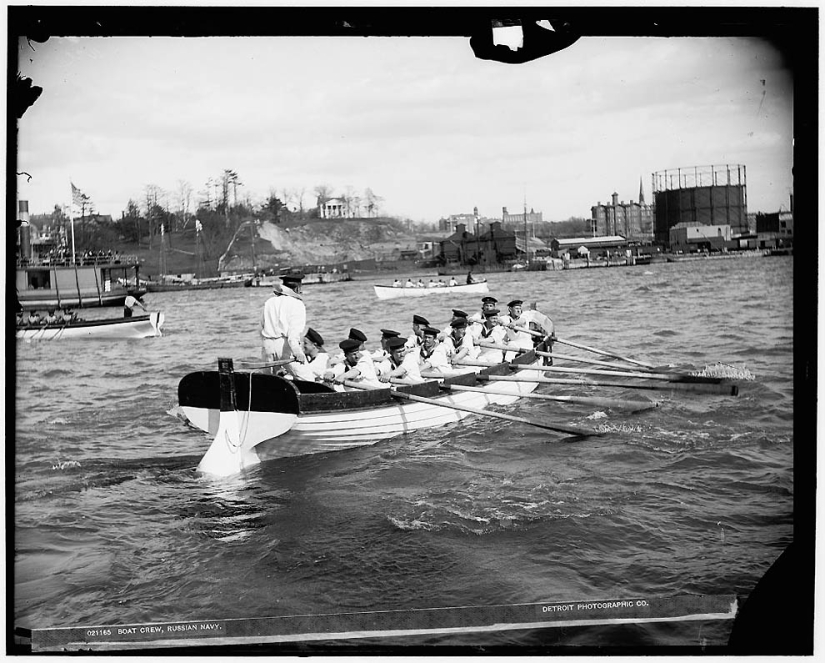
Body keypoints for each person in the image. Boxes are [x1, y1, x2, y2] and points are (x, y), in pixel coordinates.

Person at [261, 273, 307, 373]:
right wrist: (297, 352)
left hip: (267, 345)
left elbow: (262, 326)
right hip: (284, 346)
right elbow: (293, 333)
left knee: (268, 379)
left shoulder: (269, 302)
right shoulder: (297, 304)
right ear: (297, 288)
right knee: (306, 377)